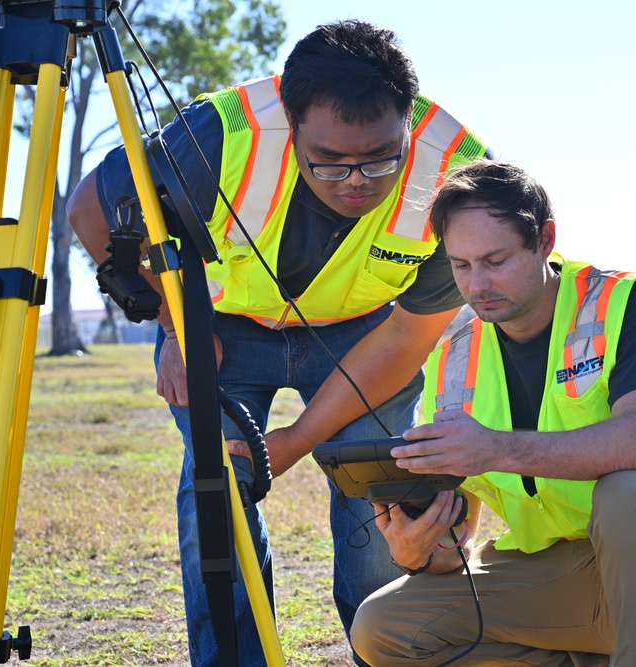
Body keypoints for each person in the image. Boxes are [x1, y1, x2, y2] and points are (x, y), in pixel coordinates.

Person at [67, 20, 490, 667]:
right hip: (222, 324)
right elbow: (90, 210)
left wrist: (296, 441)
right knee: (217, 486)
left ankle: (390, 651)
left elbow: (408, 334)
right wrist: (176, 324)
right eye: (330, 161)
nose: (358, 180)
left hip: (366, 332)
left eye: (381, 157)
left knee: (378, 483)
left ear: (408, 121)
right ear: (292, 127)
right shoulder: (223, 133)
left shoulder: (459, 172)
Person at [350, 161, 636, 666]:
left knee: (628, 492)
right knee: (382, 628)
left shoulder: (633, 304)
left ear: (545, 239)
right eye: (461, 266)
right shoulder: (452, 360)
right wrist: (416, 550)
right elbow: (457, 538)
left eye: (496, 259)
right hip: (558, 576)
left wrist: (495, 448)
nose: (477, 283)